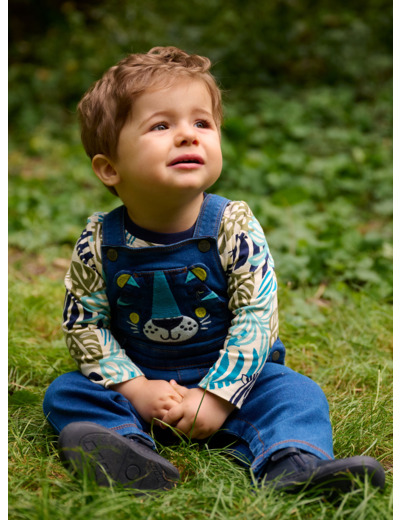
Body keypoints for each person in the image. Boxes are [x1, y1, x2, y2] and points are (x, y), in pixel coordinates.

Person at [43, 46, 385, 493]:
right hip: (142, 380)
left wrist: (218, 394)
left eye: (201, 122)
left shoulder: (233, 226)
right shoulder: (98, 241)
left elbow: (257, 316)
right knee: (66, 393)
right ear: (110, 168)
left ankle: (292, 464)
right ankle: (128, 454)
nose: (188, 135)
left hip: (235, 378)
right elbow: (84, 324)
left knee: (296, 394)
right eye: (161, 125)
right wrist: (134, 389)